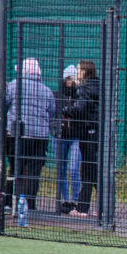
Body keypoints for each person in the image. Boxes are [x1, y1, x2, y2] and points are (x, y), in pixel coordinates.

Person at [4, 57, 54, 211]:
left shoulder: (13, 86)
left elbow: (4, 104)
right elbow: (52, 111)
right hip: (40, 137)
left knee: (15, 168)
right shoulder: (47, 91)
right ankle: (30, 204)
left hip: (17, 134)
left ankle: (8, 201)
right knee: (34, 172)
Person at [67, 59, 100, 218]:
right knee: (93, 170)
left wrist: (67, 110)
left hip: (87, 132)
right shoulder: (99, 86)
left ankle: (82, 208)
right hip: (98, 131)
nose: (77, 72)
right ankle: (104, 206)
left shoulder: (84, 88)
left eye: (79, 69)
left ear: (85, 71)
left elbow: (79, 108)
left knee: (87, 170)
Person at [53, 65, 82, 214]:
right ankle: (65, 200)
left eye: (74, 78)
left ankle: (75, 200)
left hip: (76, 136)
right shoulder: (57, 95)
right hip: (60, 137)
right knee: (61, 168)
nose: (71, 81)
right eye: (69, 78)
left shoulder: (80, 95)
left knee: (74, 168)